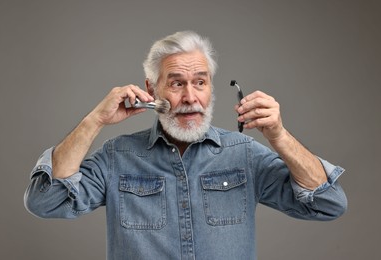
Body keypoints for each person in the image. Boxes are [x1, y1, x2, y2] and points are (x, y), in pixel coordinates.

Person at [24, 31, 347, 260]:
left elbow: (328, 203)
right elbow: (46, 200)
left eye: (200, 83)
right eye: (177, 83)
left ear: (211, 88)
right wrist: (94, 120)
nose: (191, 98)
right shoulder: (117, 157)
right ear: (152, 88)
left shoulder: (243, 154)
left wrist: (279, 136)